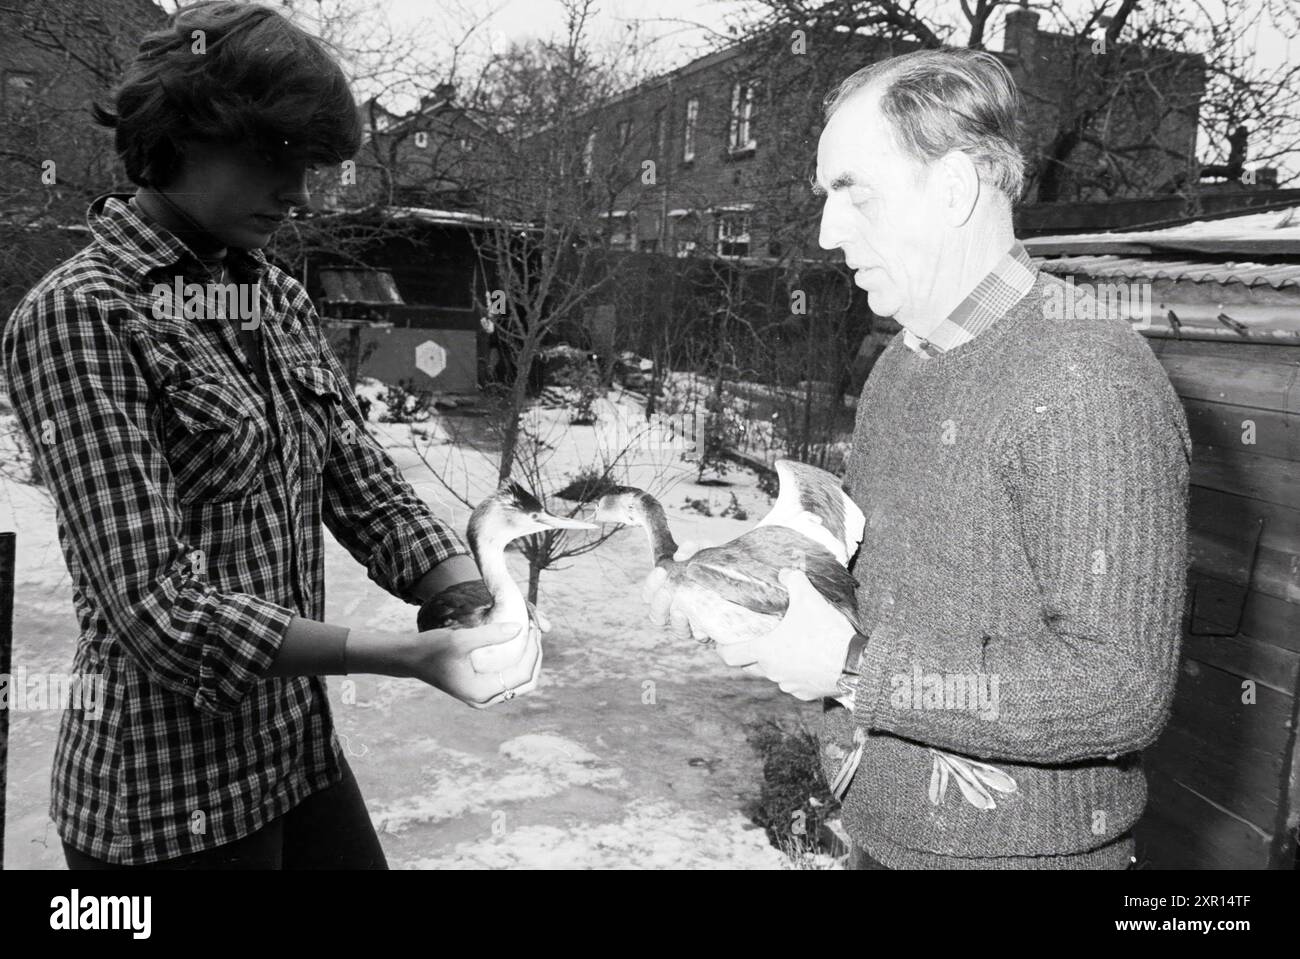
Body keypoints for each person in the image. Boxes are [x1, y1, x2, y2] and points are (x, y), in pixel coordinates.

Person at [2, 1, 541, 870]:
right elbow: (160, 609)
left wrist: (467, 598)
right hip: (164, 802)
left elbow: (359, 479)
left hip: (293, 757)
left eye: (311, 167)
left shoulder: (270, 294)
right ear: (181, 135)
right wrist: (403, 654)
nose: (298, 196)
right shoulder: (81, 314)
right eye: (274, 161)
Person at [644, 48, 1190, 869]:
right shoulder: (905, 358)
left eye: (852, 191)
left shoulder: (1090, 380)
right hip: (881, 838)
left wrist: (857, 668)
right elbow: (880, 574)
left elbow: (1119, 687)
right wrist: (731, 581)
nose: (828, 232)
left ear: (955, 187)